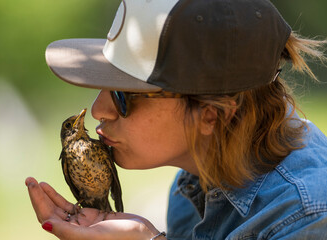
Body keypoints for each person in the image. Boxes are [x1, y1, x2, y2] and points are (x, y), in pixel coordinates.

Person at [26, 0, 327, 239]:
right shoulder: (193, 179)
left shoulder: (308, 216)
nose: (97, 110)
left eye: (124, 94)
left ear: (212, 116)